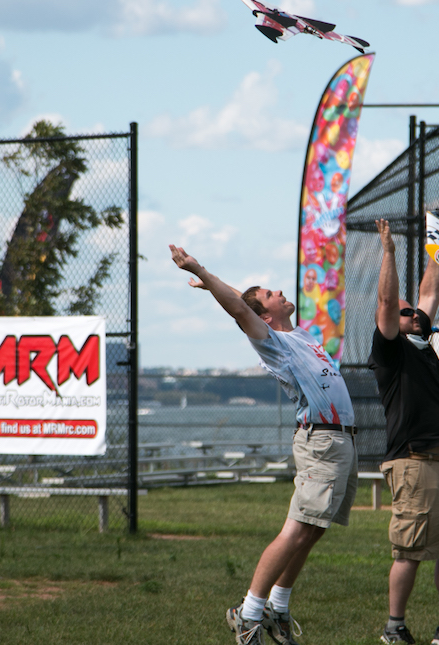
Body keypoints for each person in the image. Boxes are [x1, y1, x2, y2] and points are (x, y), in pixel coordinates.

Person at [169, 244, 358, 645]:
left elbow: (247, 303)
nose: (278, 290)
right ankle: (249, 614)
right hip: (320, 440)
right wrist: (199, 268)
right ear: (267, 314)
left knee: (314, 529)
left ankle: (279, 607)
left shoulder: (298, 335)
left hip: (341, 441)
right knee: (297, 528)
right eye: (271, 293)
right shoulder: (271, 341)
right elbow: (243, 310)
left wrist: (210, 284)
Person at [368, 219, 439, 645]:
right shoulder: (390, 350)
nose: (413, 313)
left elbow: (431, 290)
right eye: (405, 312)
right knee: (411, 551)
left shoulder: (420, 340)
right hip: (415, 463)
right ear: (390, 321)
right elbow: (386, 299)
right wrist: (389, 251)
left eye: (413, 311)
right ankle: (394, 628)